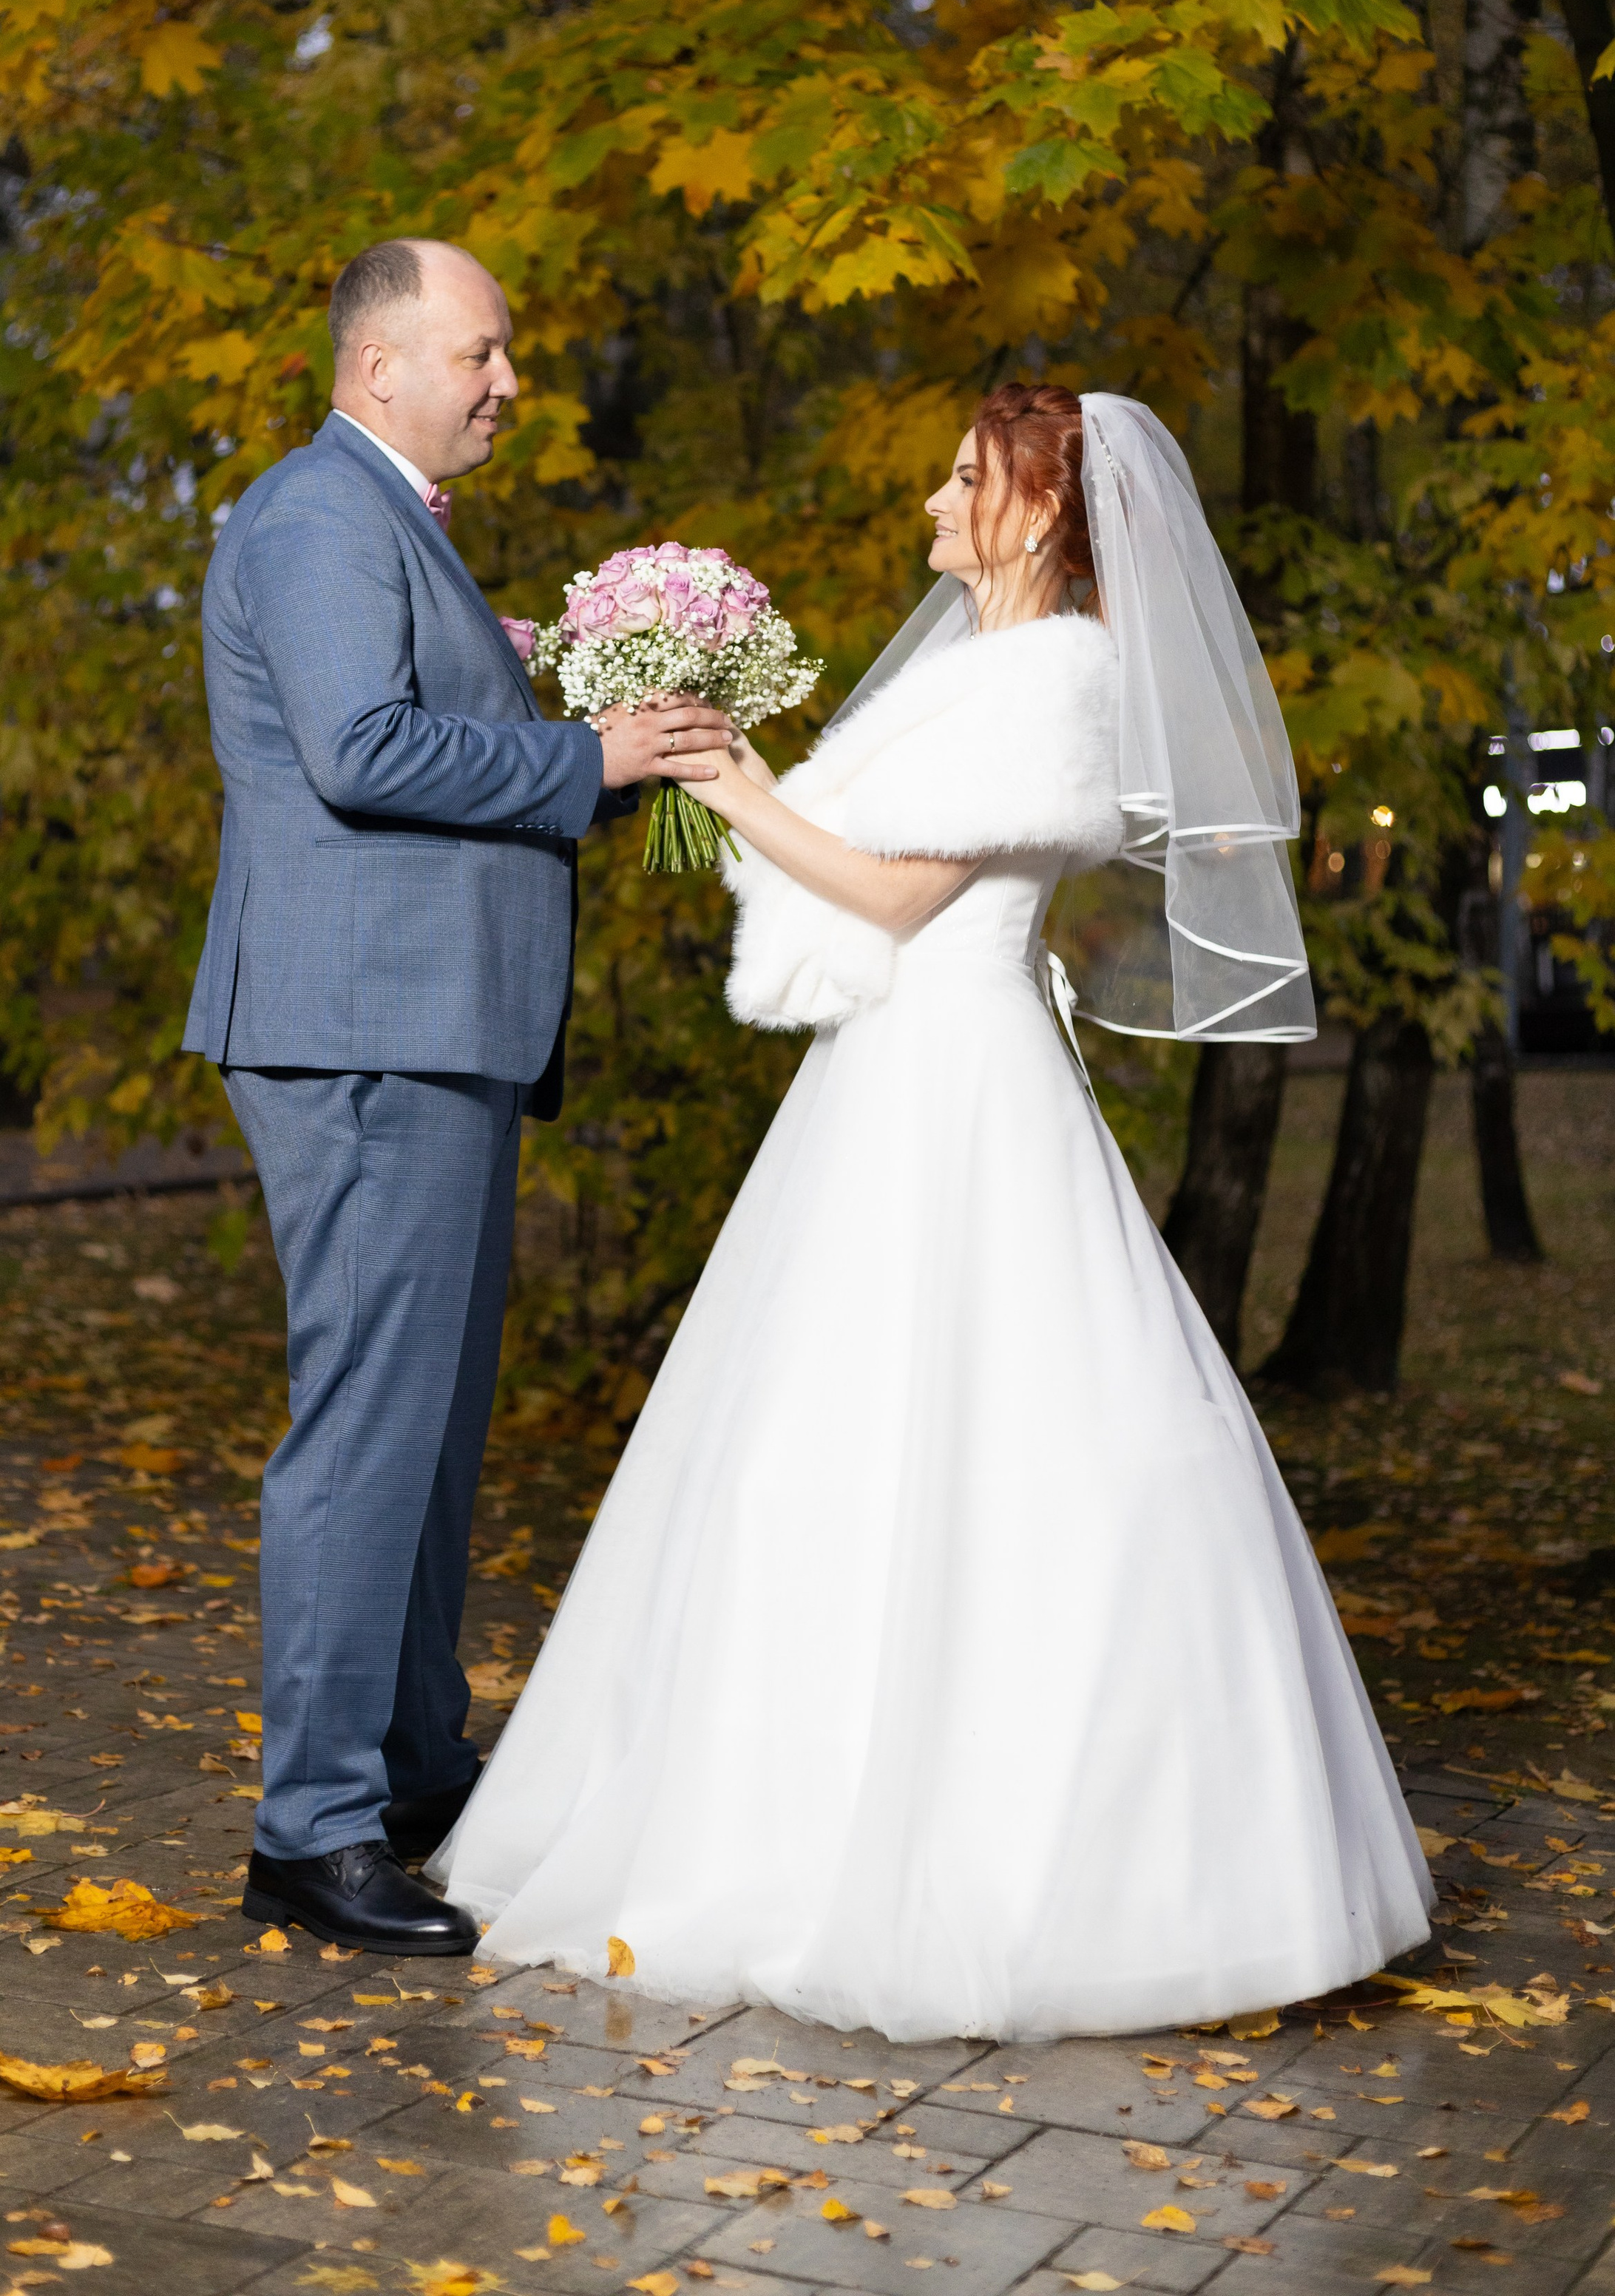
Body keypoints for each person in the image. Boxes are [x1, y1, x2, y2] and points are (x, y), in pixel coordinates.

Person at [433, 382, 1434, 2041]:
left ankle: (1037, 1868)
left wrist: (722, 775)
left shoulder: (1058, 675)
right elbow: (863, 862)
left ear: (1035, 513)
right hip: (891, 1074)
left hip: (955, 1080)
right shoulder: (975, 668)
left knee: (990, 1435)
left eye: (961, 478)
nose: (927, 498)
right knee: (817, 1438)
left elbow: (898, 888)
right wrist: (730, 766)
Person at [183, 237, 731, 1955]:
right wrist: (591, 760)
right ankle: (313, 1830)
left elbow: (401, 720)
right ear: (378, 367)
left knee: (424, 1427)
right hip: (368, 1036)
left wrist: (551, 709)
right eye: (480, 353)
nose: (507, 382)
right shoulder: (317, 515)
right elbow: (359, 753)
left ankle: (410, 1766)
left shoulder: (386, 526)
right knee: (366, 1429)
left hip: (431, 1034)